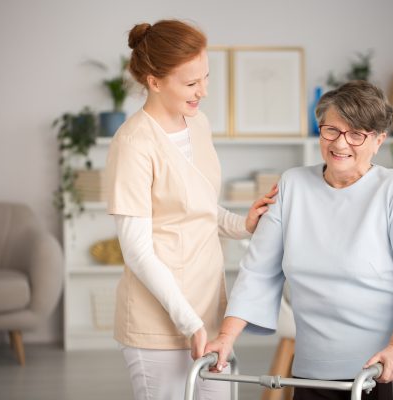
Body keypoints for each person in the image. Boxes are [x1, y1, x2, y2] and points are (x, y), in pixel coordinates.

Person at [205, 80, 393, 400]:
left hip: (389, 365)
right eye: (331, 130)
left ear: (379, 140)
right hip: (316, 367)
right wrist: (226, 338)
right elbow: (258, 271)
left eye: (357, 134)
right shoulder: (292, 185)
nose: (341, 143)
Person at [105, 19, 277, 400]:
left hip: (209, 310)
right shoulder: (133, 144)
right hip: (160, 323)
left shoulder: (198, 124)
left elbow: (198, 206)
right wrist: (189, 323)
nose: (204, 91)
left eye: (206, 77)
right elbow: (137, 250)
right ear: (154, 80)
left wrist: (241, 224)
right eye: (191, 83)